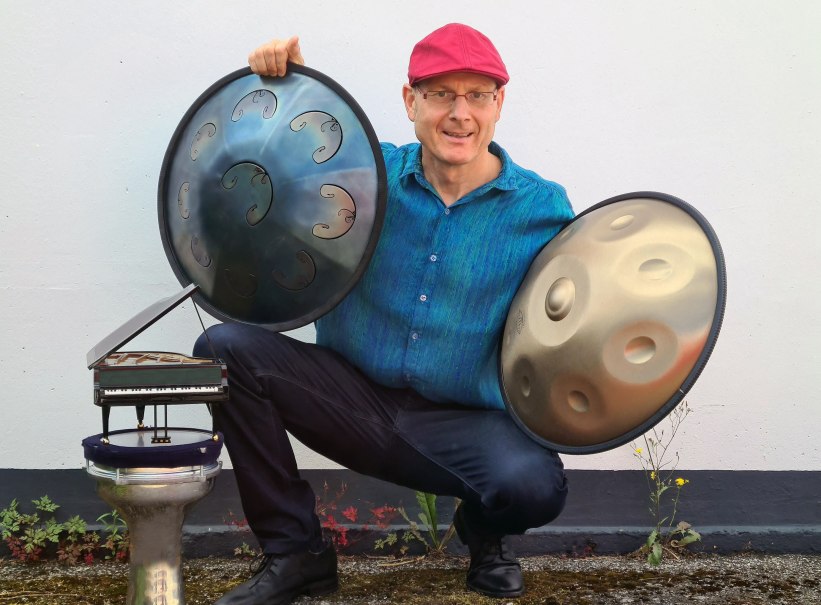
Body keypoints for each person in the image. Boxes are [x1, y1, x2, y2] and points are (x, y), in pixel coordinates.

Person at [195, 23, 575, 605]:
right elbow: (283, 170)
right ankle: (297, 555)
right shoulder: (365, 176)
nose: (460, 114)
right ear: (410, 101)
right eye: (441, 94)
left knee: (534, 483)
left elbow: (571, 321)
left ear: (500, 104)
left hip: (462, 423)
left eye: (478, 95)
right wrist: (290, 83)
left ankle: (485, 531)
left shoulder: (543, 208)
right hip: (351, 398)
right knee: (224, 350)